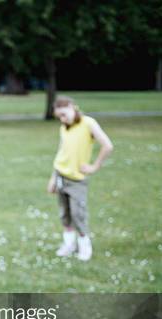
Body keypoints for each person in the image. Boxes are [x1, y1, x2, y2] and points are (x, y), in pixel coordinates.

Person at [47, 95, 114, 261]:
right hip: (61, 175)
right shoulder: (64, 127)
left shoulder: (88, 123)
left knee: (78, 214)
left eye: (64, 114)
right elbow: (61, 153)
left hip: (77, 180)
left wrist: (94, 166)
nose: (62, 119)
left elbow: (107, 145)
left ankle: (85, 247)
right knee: (65, 215)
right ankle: (69, 245)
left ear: (72, 107)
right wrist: (53, 178)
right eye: (59, 117)